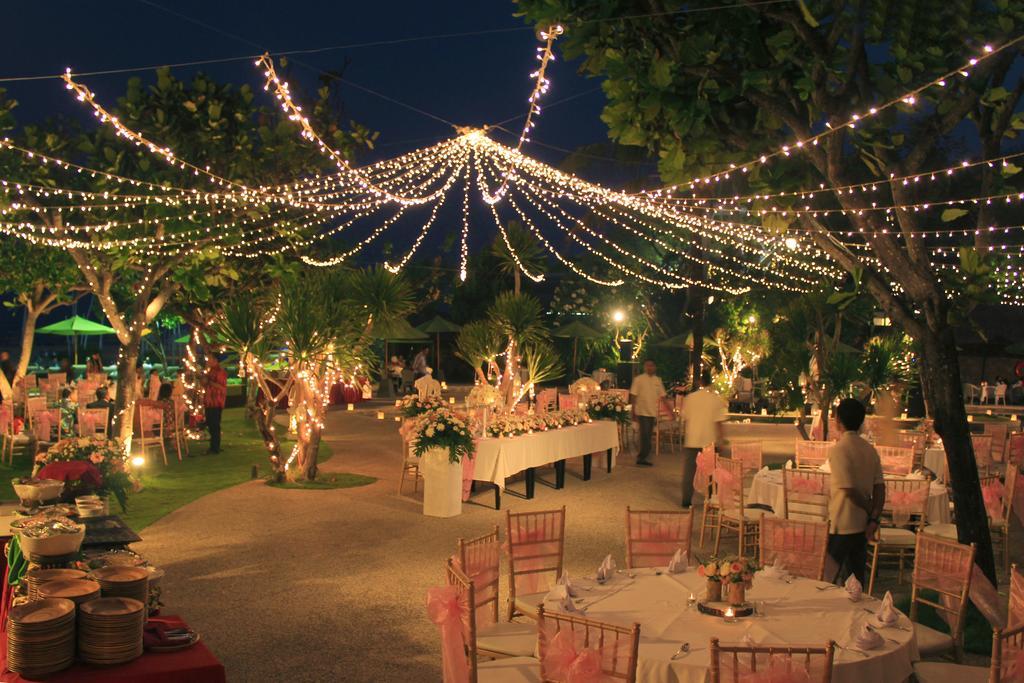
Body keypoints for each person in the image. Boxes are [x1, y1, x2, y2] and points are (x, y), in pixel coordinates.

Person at [825, 398, 885, 587]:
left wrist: (869, 510)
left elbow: (848, 489)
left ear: (838, 421)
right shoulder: (870, 450)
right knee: (856, 580)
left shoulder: (839, 450)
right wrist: (874, 517)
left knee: (827, 578)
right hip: (862, 525)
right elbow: (880, 487)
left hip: (842, 523)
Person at [680, 368, 727, 507]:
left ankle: (686, 499)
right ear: (711, 382)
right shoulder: (716, 399)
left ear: (699, 381)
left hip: (693, 439)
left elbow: (686, 420)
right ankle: (712, 498)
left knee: (689, 471)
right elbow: (718, 422)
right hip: (709, 441)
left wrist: (686, 435)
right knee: (712, 472)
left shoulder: (690, 398)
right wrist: (722, 439)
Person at [629, 359, 671, 467]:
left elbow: (663, 397)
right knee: (645, 435)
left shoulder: (658, 380)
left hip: (652, 412)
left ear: (655, 367)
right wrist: (633, 411)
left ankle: (642, 456)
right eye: (648, 365)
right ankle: (642, 457)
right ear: (644, 367)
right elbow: (633, 395)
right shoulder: (638, 379)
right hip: (642, 411)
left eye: (652, 365)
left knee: (647, 435)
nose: (650, 368)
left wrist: (670, 411)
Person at [202, 356, 227, 454]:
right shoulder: (210, 371)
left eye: (210, 360)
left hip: (216, 402)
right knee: (211, 425)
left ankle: (215, 448)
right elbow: (206, 384)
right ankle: (214, 446)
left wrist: (209, 382)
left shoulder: (220, 372)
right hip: (209, 402)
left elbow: (222, 387)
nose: (208, 361)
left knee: (214, 425)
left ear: (215, 360)